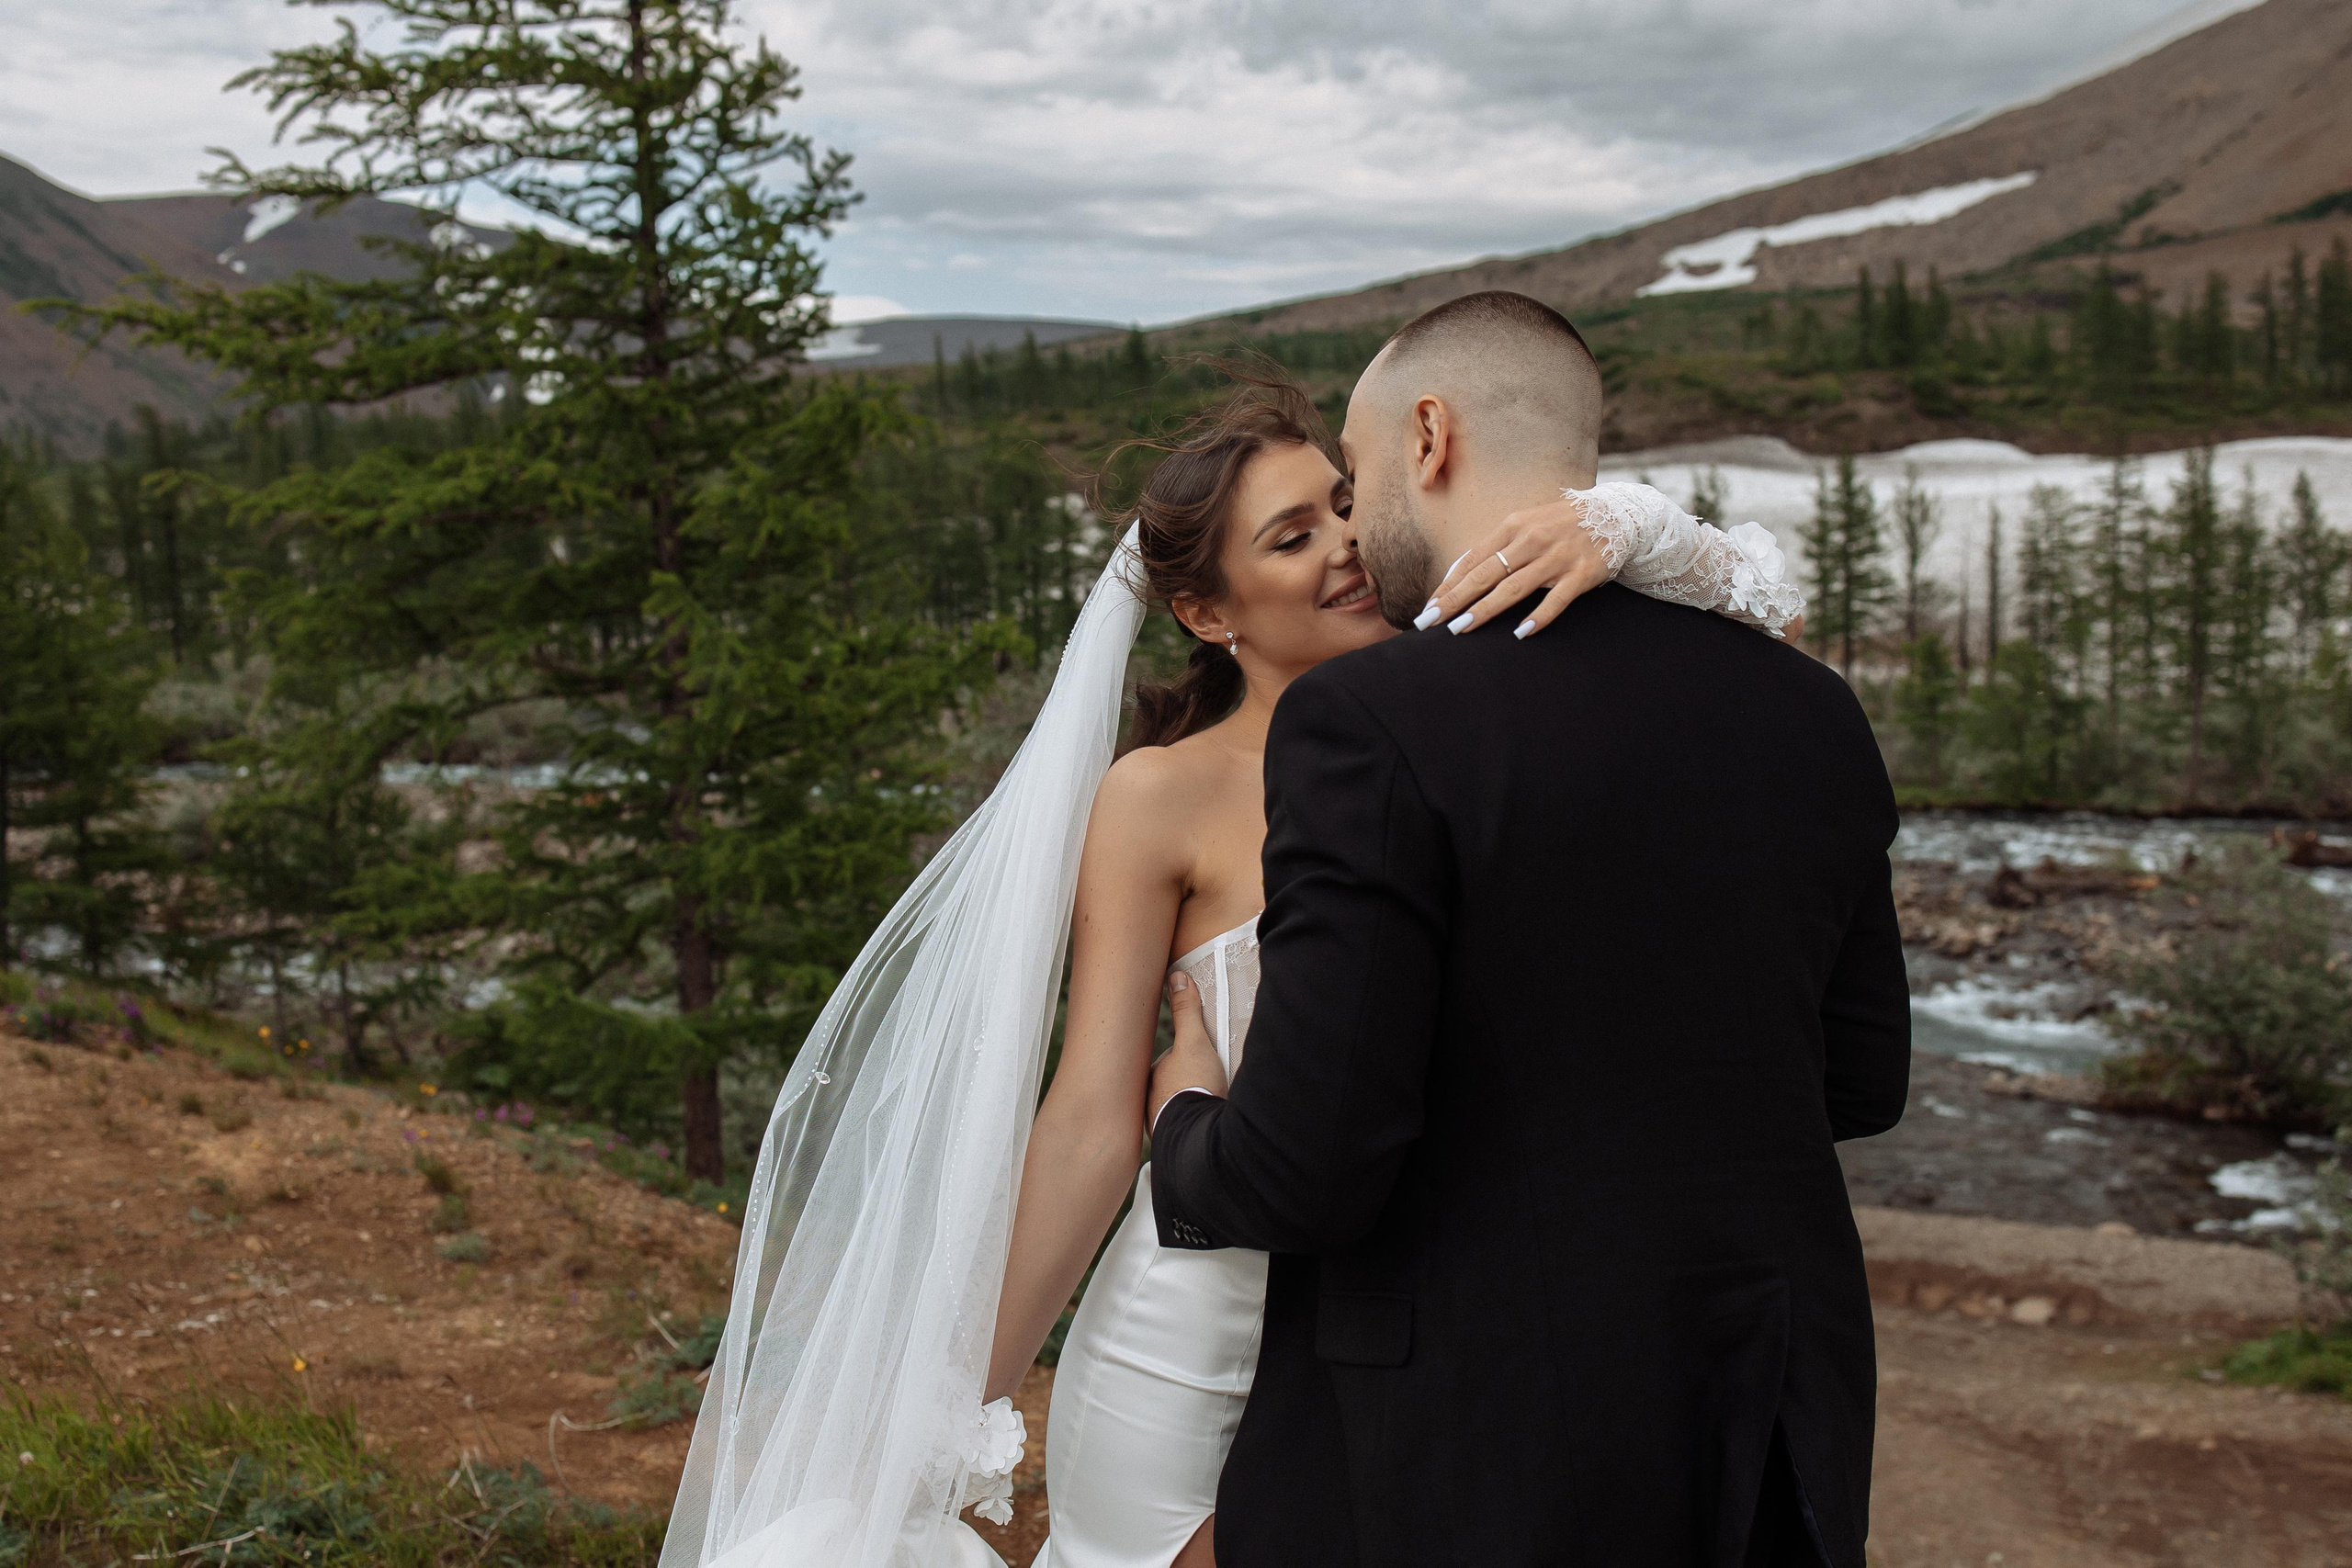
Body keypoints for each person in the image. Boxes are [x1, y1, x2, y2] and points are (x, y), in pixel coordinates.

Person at [660, 339, 1813, 1568]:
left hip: (1424, 1349)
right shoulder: (1163, 798)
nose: (1347, 546)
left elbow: (1775, 642)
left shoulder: (1483, 727)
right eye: (1290, 536)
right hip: (1194, 1346)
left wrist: (1626, 527)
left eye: (1345, 502)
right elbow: (1096, 1121)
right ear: (1208, 615)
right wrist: (938, 1413)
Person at [1144, 292, 1911, 1568]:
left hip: (1477, 1444)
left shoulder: (1372, 722)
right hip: (1769, 1427)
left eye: (1358, 473)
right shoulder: (1810, 706)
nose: (1354, 520)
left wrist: (1185, 1129)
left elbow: (1308, 1167)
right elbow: (1860, 1076)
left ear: (1428, 437)